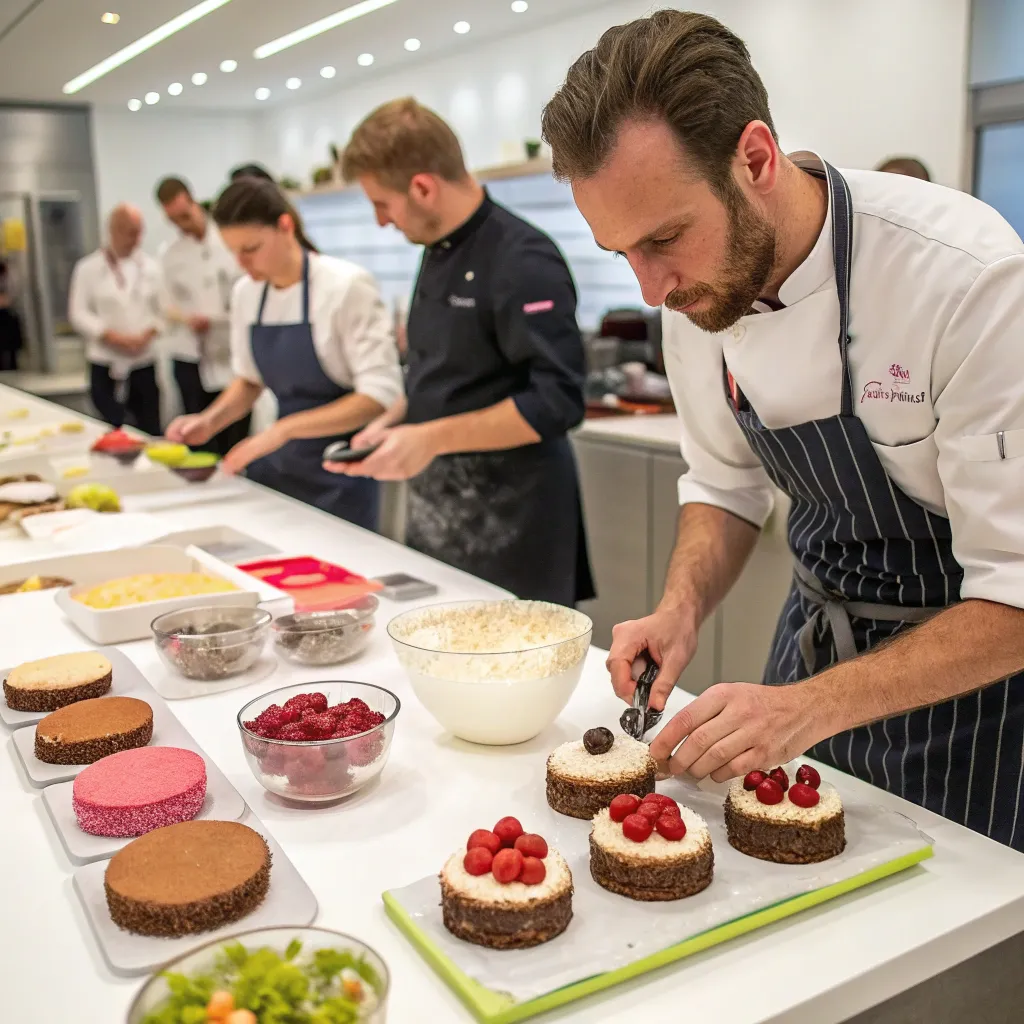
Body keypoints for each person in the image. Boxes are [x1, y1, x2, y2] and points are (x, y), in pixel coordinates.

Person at [541, 10, 1024, 849]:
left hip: (971, 704)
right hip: (806, 660)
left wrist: (811, 706)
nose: (652, 290)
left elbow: (1016, 592)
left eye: (665, 238)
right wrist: (681, 607)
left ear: (756, 159)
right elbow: (725, 484)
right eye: (623, 254)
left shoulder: (967, 280)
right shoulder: (694, 295)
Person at [333, 98, 595, 607]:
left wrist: (427, 438)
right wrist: (392, 424)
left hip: (513, 527)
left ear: (423, 188)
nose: (381, 221)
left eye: (382, 204)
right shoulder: (435, 249)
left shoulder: (524, 258)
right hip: (439, 518)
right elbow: (444, 376)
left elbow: (558, 401)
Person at [165, 178, 402, 531]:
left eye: (251, 248)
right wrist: (209, 421)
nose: (242, 263)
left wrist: (284, 430)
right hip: (279, 471)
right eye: (233, 252)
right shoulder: (247, 294)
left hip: (342, 475)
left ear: (285, 226)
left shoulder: (346, 286)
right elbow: (249, 380)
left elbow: (379, 395)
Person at [156, 176, 249, 456]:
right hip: (191, 354)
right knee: (198, 439)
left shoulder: (229, 241)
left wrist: (219, 318)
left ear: (193, 202)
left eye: (185, 216)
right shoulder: (171, 255)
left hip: (230, 350)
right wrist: (187, 319)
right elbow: (165, 304)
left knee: (234, 434)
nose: (182, 225)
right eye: (174, 220)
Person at [68, 204, 162, 435]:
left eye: (139, 233)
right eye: (131, 233)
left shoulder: (151, 267)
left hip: (143, 361)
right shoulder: (88, 268)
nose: (136, 240)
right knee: (112, 428)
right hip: (105, 361)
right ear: (114, 230)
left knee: (149, 428)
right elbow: (78, 312)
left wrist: (148, 334)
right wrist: (110, 336)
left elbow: (164, 310)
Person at [0, 257, 24, 372]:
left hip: (7, 311)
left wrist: (8, 299)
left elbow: (14, 290)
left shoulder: (9, 274)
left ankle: (13, 364)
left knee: (10, 336)